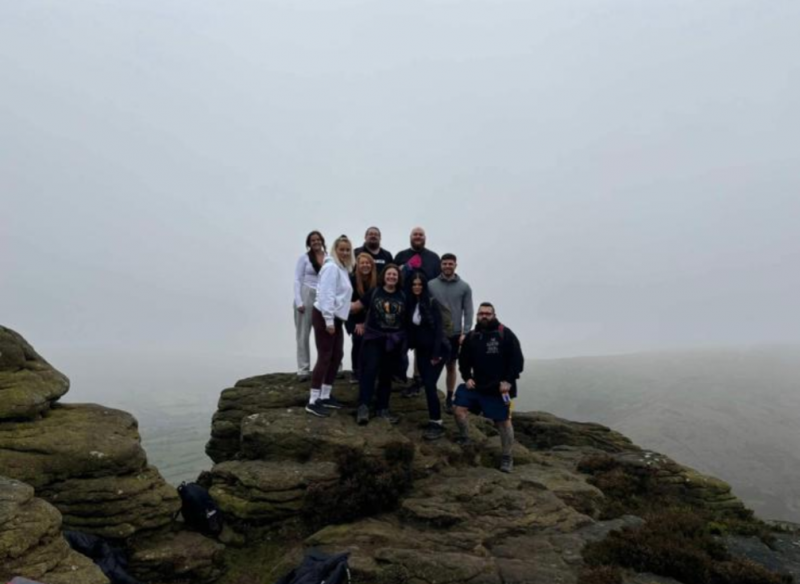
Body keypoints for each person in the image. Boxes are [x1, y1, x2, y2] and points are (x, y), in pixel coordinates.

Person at [455, 302, 525, 473]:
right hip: (477, 386)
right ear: (477, 316)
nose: (484, 316)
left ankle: (507, 457)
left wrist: (508, 380)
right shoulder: (472, 336)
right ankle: (465, 438)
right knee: (458, 409)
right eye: (481, 314)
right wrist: (467, 377)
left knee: (503, 422)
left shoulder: (504, 334)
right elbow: (463, 361)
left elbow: (517, 360)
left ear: (494, 315)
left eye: (487, 313)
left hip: (499, 388)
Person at [306, 235, 355, 418]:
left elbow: (340, 297)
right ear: (335, 249)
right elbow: (326, 295)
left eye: (347, 249)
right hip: (325, 316)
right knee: (325, 356)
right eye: (341, 249)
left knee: (337, 355)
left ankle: (325, 395)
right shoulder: (331, 267)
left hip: (336, 318)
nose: (344, 252)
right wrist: (328, 321)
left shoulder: (342, 268)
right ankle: (313, 400)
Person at [356, 264, 406, 426]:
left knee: (386, 375)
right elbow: (357, 307)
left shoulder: (403, 296)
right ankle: (363, 407)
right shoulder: (375, 292)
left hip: (393, 342)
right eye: (389, 274)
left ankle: (382, 408)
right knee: (369, 372)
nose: (392, 277)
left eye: (395, 275)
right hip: (374, 339)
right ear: (384, 276)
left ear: (398, 278)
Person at [427, 253, 474, 414]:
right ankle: (429, 393)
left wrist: (466, 332)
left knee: (451, 365)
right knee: (431, 363)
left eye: (450, 264)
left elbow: (468, 311)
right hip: (435, 333)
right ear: (441, 265)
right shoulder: (431, 285)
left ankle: (449, 397)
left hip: (454, 333)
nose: (447, 266)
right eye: (445, 263)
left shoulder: (464, 287)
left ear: (455, 265)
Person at [407, 272, 450, 441]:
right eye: (414, 284)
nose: (417, 287)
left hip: (438, 351)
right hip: (422, 352)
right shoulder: (411, 304)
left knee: (430, 384)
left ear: (424, 286)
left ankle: (437, 423)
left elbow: (439, 330)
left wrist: (436, 354)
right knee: (426, 383)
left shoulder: (431, 303)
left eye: (420, 284)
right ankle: (434, 419)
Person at [293, 231, 326, 382]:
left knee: (326, 332)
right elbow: (297, 280)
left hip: (323, 295)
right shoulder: (304, 259)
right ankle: (303, 369)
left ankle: (329, 365)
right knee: (303, 334)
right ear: (309, 243)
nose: (316, 242)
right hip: (306, 294)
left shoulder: (329, 258)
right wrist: (299, 301)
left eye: (318, 239)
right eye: (313, 240)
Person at [346, 253, 378, 383]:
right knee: (358, 340)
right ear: (357, 265)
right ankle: (356, 370)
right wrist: (357, 324)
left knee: (373, 345)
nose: (365, 265)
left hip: (372, 319)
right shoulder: (351, 280)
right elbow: (348, 304)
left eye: (368, 263)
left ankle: (372, 370)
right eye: (362, 263)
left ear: (372, 265)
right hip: (354, 318)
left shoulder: (377, 282)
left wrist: (366, 322)